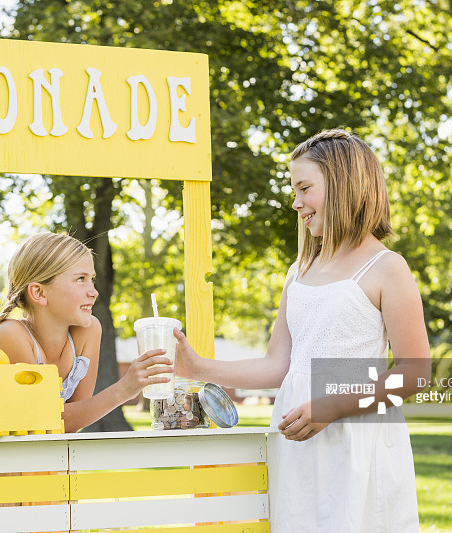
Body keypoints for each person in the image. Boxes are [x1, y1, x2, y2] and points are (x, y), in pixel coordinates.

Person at [174, 129, 431, 532]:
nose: (296, 203)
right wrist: (197, 367)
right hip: (297, 440)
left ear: (345, 185)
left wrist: (330, 407)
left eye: (304, 188)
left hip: (356, 441)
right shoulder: (300, 271)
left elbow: (415, 374)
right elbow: (279, 365)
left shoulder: (386, 268)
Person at [0, 232, 172, 433]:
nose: (94, 292)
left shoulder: (88, 331)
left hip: (62, 459)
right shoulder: (11, 333)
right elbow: (42, 421)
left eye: (92, 279)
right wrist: (123, 389)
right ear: (39, 293)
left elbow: (76, 421)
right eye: (81, 279)